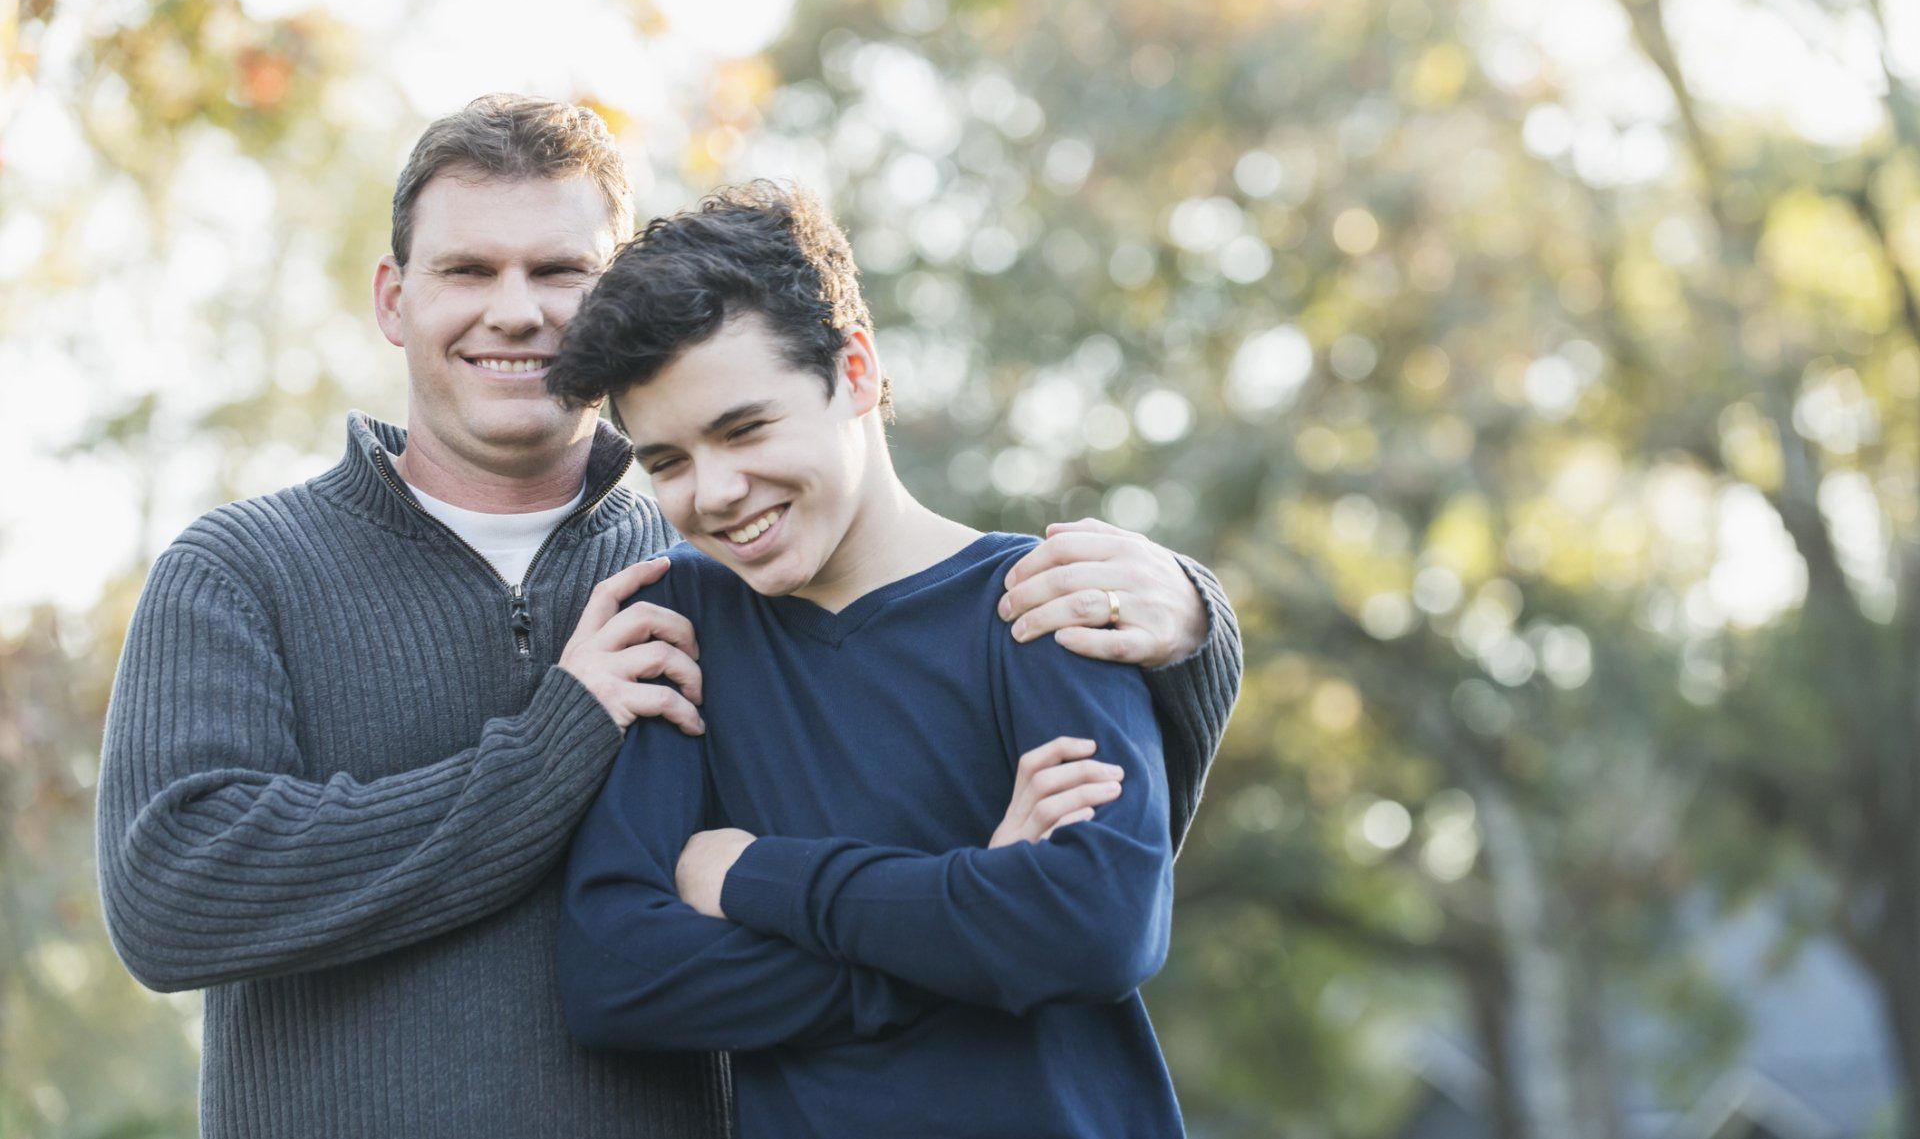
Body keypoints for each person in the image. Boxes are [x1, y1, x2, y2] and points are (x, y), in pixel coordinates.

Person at [95, 96, 1241, 1138]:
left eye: (561, 270)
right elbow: (173, 900)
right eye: (468, 270)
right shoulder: (244, 570)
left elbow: (1095, 872)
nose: (517, 310)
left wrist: (1197, 623)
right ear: (397, 299)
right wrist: (561, 738)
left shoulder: (706, 568)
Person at [551, 181, 1194, 1137]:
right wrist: (972, 907)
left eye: (744, 428)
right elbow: (617, 976)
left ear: (854, 370)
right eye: (669, 461)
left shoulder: (1044, 599)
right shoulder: (680, 625)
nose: (717, 492)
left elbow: (1095, 928)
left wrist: (757, 877)